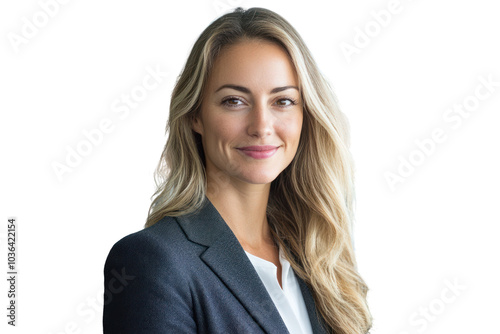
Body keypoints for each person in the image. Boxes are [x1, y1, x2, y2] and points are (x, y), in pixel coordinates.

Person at [103, 7, 372, 334]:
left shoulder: (318, 257)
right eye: (234, 101)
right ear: (195, 116)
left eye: (282, 101)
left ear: (307, 115)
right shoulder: (151, 261)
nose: (261, 126)